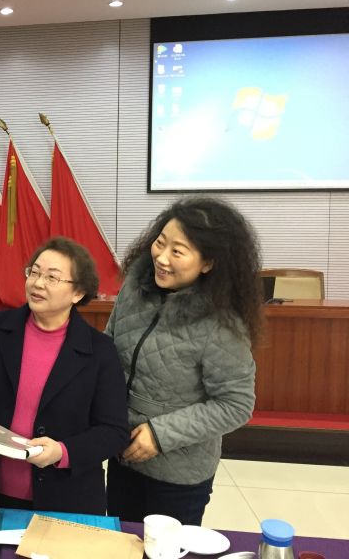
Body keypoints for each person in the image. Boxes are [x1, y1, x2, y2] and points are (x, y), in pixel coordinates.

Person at [0, 236, 130, 559]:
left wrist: (62, 451)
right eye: (34, 272)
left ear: (78, 293)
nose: (37, 283)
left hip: (66, 498)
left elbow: (114, 431)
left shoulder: (99, 352)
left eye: (52, 277)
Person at [105, 196, 263, 526]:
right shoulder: (135, 287)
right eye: (160, 243)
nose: (162, 258)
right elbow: (109, 349)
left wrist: (160, 435)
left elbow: (235, 404)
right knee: (121, 541)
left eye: (177, 252)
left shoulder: (222, 324)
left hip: (178, 475)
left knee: (165, 547)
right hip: (121, 454)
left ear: (208, 263)